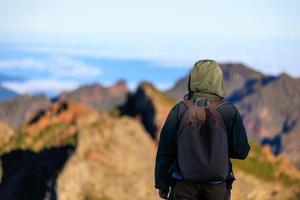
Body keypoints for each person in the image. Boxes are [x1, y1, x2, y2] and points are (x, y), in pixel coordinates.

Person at [155, 60, 250, 200]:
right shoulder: (229, 112)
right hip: (217, 187)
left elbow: (165, 150)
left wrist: (162, 184)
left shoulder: (180, 110)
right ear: (218, 80)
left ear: (192, 79)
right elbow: (241, 151)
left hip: (183, 184)